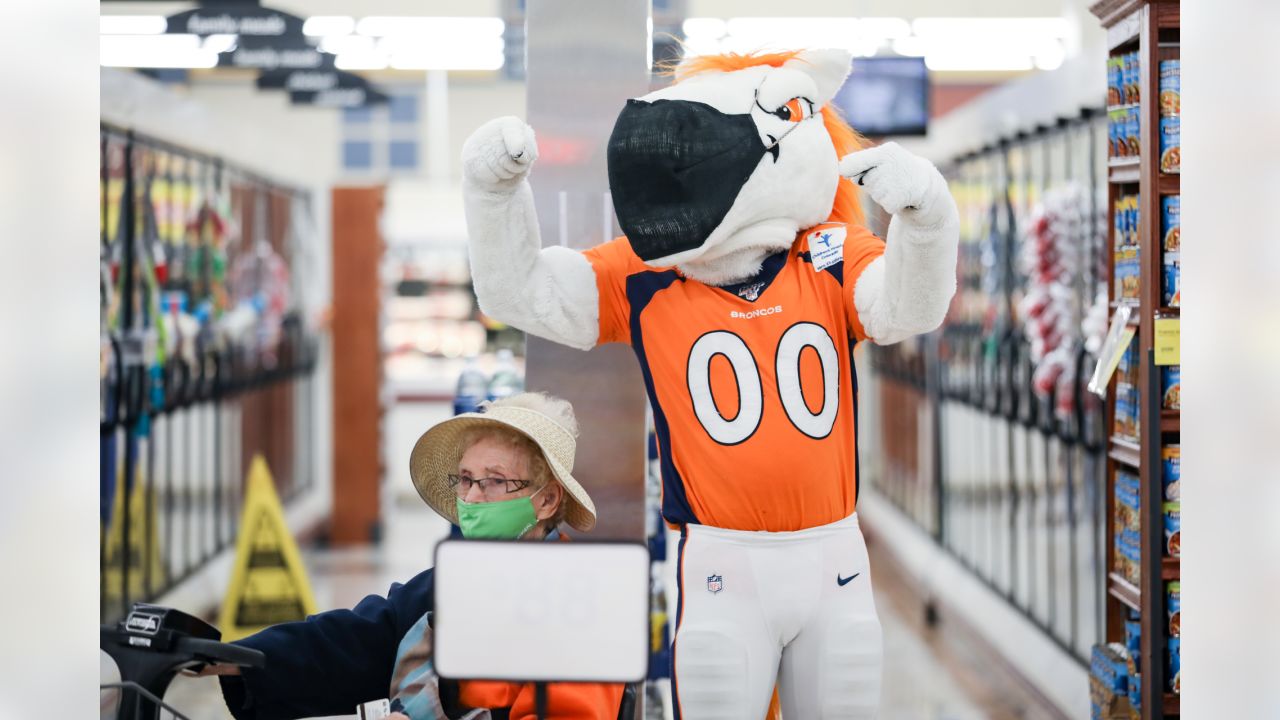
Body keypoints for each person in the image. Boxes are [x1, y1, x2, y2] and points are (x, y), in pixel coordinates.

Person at [205, 392, 624, 720]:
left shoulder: (579, 605)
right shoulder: (460, 579)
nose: (473, 497)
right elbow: (366, 637)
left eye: (495, 481)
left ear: (547, 499)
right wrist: (236, 658)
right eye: (465, 479)